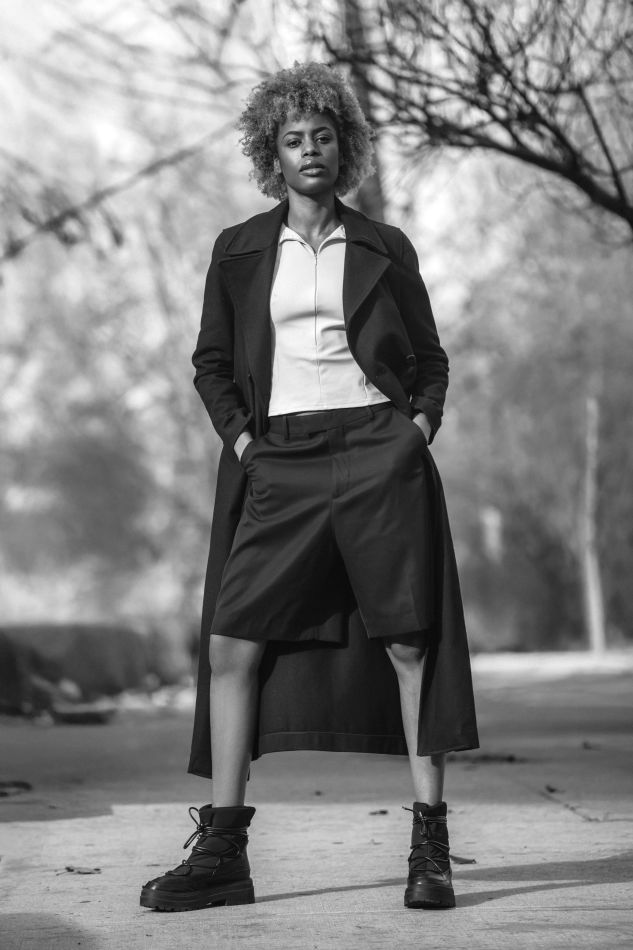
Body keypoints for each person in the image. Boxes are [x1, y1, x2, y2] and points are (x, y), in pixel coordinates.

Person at [140, 61, 478, 914]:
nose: (309, 150)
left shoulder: (384, 246)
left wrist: (415, 429)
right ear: (272, 155)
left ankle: (429, 849)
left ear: (344, 146)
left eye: (322, 136)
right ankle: (223, 852)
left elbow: (429, 359)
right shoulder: (239, 249)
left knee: (409, 643)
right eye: (292, 139)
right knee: (231, 642)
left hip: (375, 450)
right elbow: (212, 361)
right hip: (279, 459)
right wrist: (244, 443)